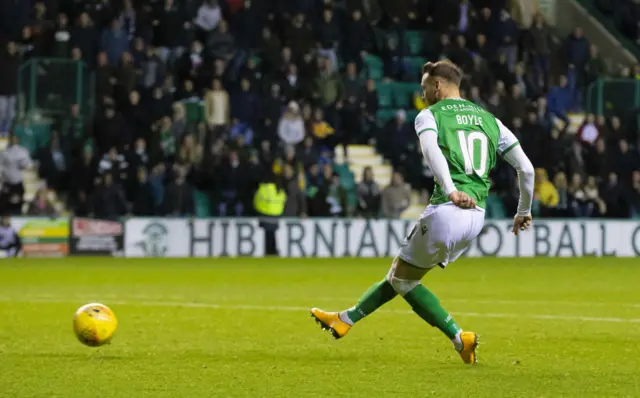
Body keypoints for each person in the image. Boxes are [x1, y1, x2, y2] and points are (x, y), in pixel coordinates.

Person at [311, 60, 535, 365]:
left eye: (424, 86)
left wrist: (451, 188)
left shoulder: (429, 115)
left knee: (403, 281)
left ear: (438, 86)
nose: (423, 92)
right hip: (476, 217)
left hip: (448, 208)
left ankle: (460, 338)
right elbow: (526, 168)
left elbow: (431, 151)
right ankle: (345, 319)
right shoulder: (490, 120)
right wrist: (523, 210)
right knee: (400, 273)